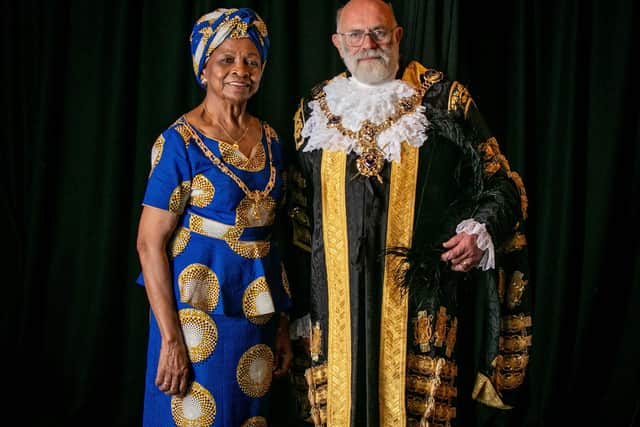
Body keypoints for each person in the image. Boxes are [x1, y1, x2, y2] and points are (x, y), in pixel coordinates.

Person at [286, 0, 532, 426]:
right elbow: (296, 219)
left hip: (420, 308)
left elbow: (504, 185)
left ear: (397, 36)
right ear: (337, 43)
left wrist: (480, 232)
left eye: (379, 32)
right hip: (333, 313)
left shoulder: (444, 99)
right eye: (356, 35)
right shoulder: (313, 110)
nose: (368, 44)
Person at [135, 8, 293, 426]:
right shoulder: (178, 143)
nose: (240, 70)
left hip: (256, 314)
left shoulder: (273, 140)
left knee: (249, 418)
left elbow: (273, 237)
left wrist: (281, 323)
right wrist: (171, 339)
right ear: (204, 68)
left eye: (251, 61)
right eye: (227, 59)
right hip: (193, 317)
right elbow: (149, 244)